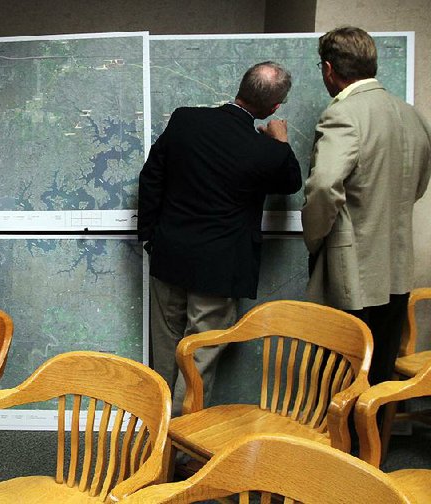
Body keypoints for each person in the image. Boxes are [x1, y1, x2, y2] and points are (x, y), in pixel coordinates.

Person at [138, 61, 302, 415]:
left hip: (170, 254)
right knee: (199, 354)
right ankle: (181, 447)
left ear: (240, 86)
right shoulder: (268, 152)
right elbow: (291, 183)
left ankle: (156, 433)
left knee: (166, 348)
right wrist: (282, 141)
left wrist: (151, 236)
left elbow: (151, 177)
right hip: (219, 267)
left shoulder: (185, 120)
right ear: (274, 108)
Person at [302, 26, 431, 388]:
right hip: (396, 267)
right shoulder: (411, 114)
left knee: (341, 376)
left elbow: (325, 185)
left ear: (329, 69)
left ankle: (338, 446)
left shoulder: (343, 114)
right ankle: (370, 446)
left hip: (351, 269)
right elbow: (418, 184)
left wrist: (315, 239)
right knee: (377, 376)